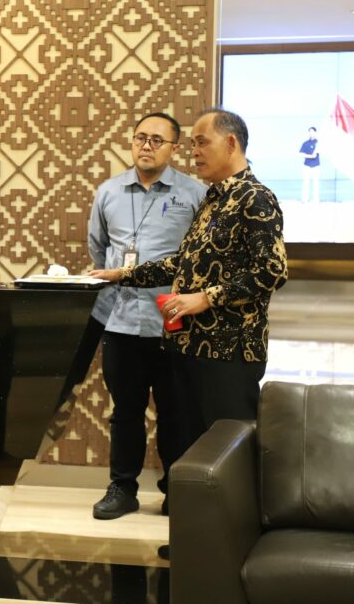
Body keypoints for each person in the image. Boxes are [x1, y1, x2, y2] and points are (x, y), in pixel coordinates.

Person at [90, 108, 288, 522]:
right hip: (194, 347)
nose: (194, 152)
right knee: (201, 452)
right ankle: (199, 539)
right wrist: (125, 274)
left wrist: (206, 298)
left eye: (201, 143)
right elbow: (183, 263)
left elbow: (271, 271)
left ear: (230, 143)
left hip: (230, 350)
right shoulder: (216, 198)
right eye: (193, 143)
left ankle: (235, 539)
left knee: (229, 451)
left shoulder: (255, 198)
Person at [88, 112, 206, 521]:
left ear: (174, 148)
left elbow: (199, 258)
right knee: (125, 411)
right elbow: (98, 247)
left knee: (176, 412)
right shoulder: (108, 191)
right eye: (140, 137)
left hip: (174, 323)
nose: (146, 146)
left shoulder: (194, 194)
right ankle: (122, 488)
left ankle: (176, 488)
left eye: (157, 140)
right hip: (121, 320)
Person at [299, 126, 320, 203]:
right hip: (307, 165)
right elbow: (301, 153)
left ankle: (316, 200)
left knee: (316, 184)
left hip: (316, 166)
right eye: (310, 132)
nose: (311, 133)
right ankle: (305, 199)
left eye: (313, 132)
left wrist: (317, 151)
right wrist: (310, 156)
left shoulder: (318, 143)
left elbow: (322, 150)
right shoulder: (305, 143)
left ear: (315, 133)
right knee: (306, 183)